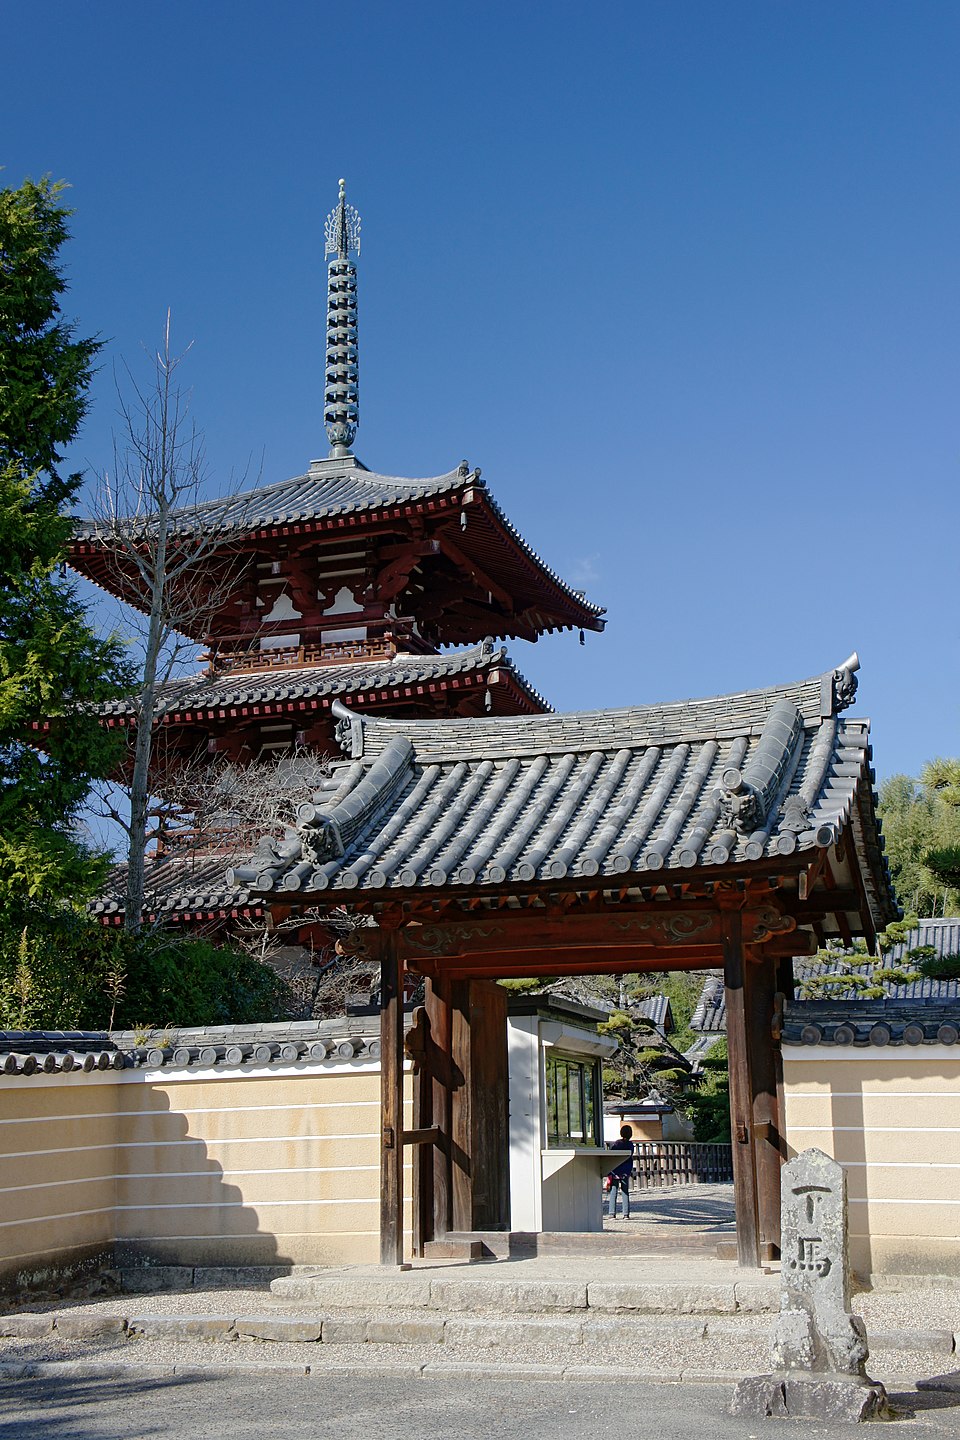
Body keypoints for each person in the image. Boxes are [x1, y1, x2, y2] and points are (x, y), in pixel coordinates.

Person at [605, 1124, 634, 1220]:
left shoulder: (617, 1144)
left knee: (614, 1191)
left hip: (616, 1169)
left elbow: (612, 1154)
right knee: (625, 1191)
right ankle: (626, 1213)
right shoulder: (630, 1145)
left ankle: (612, 1213)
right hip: (625, 1170)